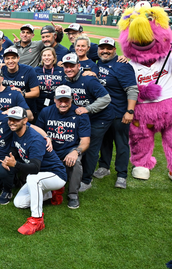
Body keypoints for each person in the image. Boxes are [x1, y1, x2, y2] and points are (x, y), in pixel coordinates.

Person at [3, 107, 67, 235]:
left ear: (25, 120)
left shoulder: (35, 139)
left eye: (16, 119)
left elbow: (35, 168)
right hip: (41, 177)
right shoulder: (17, 132)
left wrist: (15, 164)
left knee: (32, 178)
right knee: (19, 203)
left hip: (56, 175)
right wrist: (9, 158)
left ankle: (37, 220)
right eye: (10, 119)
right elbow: (15, 148)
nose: (12, 122)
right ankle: (52, 193)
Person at [60, 53, 112, 192]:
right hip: (84, 118)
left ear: (79, 66)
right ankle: (76, 172)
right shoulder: (66, 81)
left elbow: (106, 99)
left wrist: (88, 109)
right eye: (66, 66)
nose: (69, 69)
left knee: (91, 147)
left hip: (100, 118)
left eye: (72, 66)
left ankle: (86, 180)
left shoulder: (88, 80)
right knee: (79, 143)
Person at [92, 37, 138, 189]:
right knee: (104, 141)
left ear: (114, 50)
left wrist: (129, 111)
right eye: (102, 48)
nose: (105, 51)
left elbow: (132, 89)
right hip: (102, 113)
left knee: (121, 143)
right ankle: (104, 167)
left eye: (108, 48)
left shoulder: (122, 65)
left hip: (119, 112)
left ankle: (121, 174)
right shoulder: (98, 62)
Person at [35, 86, 91, 209]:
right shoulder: (46, 111)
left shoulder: (80, 114)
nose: (63, 104)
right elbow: (37, 132)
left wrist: (76, 151)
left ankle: (73, 195)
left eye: (66, 100)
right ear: (55, 99)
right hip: (50, 149)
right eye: (60, 100)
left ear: (72, 99)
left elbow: (85, 141)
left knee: (76, 162)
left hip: (69, 150)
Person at [34, 48, 65, 117]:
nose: (46, 58)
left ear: (54, 57)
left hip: (56, 104)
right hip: (39, 104)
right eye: (44, 55)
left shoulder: (61, 70)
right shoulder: (35, 70)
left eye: (49, 55)